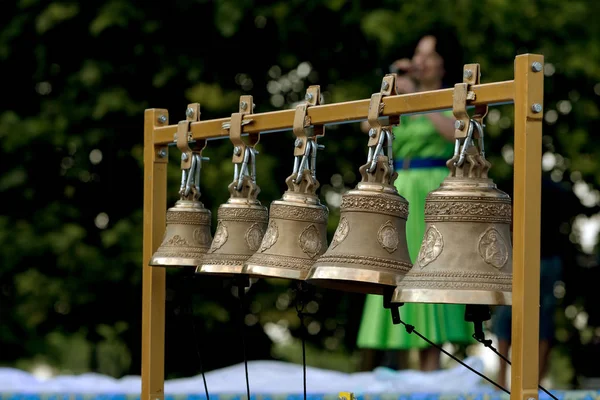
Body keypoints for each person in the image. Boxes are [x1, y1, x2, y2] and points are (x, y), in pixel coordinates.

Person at [357, 29, 474, 372]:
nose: (420, 61)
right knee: (395, 266)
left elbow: (454, 133)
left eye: (429, 55)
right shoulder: (402, 96)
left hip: (432, 187)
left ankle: (431, 367)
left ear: (443, 63)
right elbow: (369, 129)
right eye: (418, 54)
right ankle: (395, 366)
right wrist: (390, 93)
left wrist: (419, 101)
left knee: (428, 267)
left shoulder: (451, 96)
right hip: (400, 185)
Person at [492, 177, 566, 387]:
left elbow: (511, 223)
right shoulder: (556, 190)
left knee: (508, 314)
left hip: (526, 259)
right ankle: (535, 381)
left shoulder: (516, 186)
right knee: (542, 318)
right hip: (546, 259)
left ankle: (502, 378)